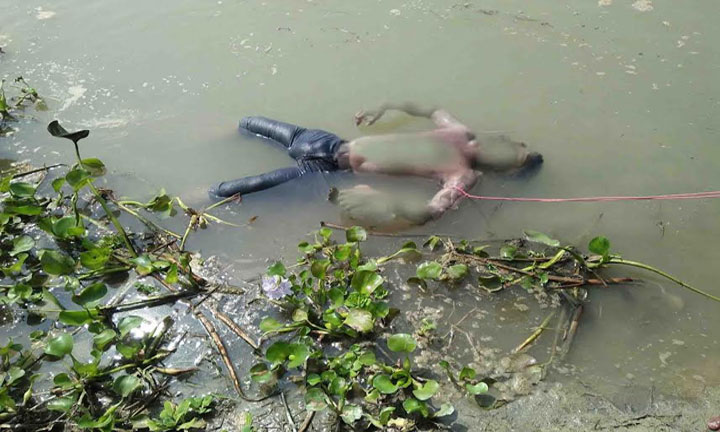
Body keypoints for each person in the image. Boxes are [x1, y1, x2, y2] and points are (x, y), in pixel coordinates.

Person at [209, 103, 543, 225]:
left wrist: (385, 202)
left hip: (325, 170)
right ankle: (206, 136)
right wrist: (385, 107)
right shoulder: (460, 131)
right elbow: (430, 109)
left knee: (238, 189)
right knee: (248, 121)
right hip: (325, 141)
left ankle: (198, 196)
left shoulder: (463, 176)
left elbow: (432, 212)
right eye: (514, 145)